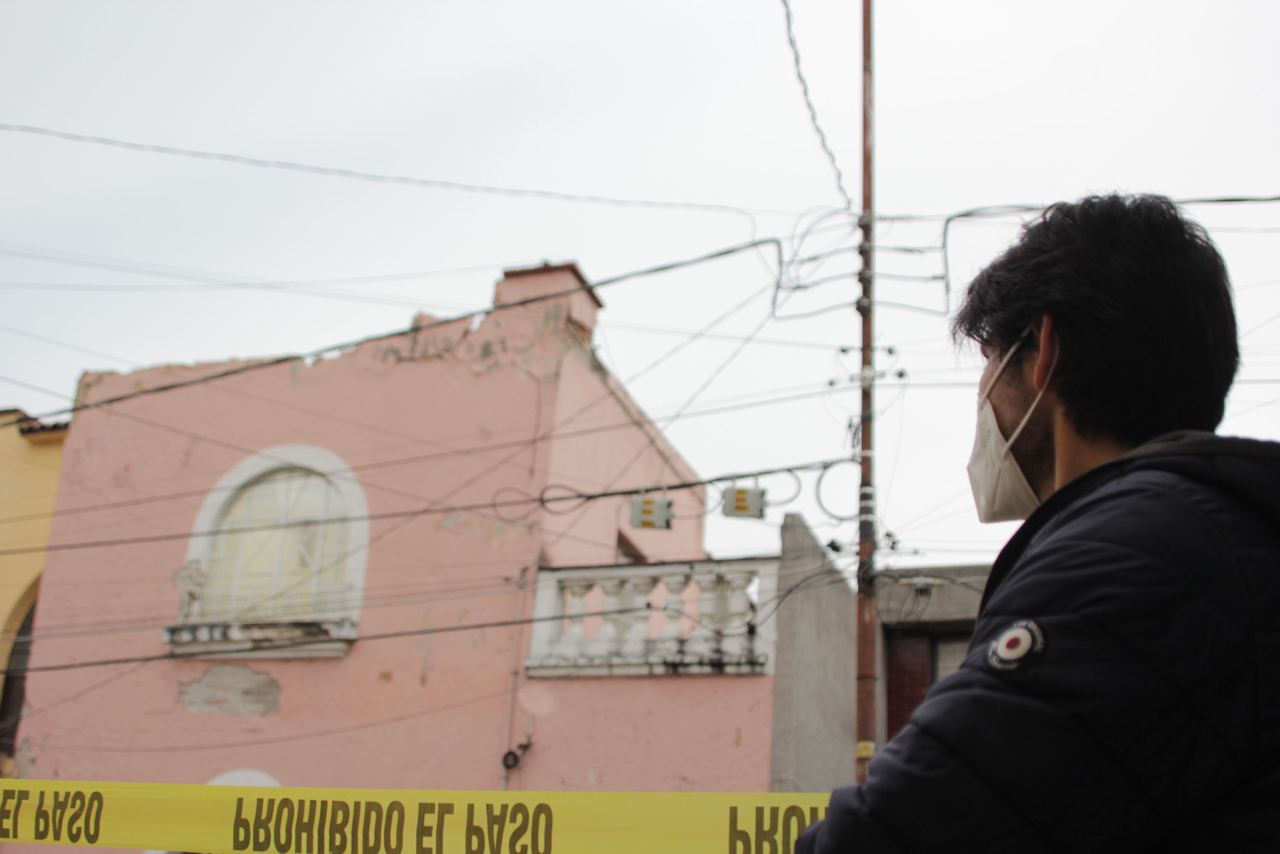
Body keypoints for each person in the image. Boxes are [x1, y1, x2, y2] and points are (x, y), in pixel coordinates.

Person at [797, 194, 1280, 853]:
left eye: (991, 361)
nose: (985, 398)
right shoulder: (1220, 532)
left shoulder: (1133, 562)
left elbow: (900, 831)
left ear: (1044, 348)